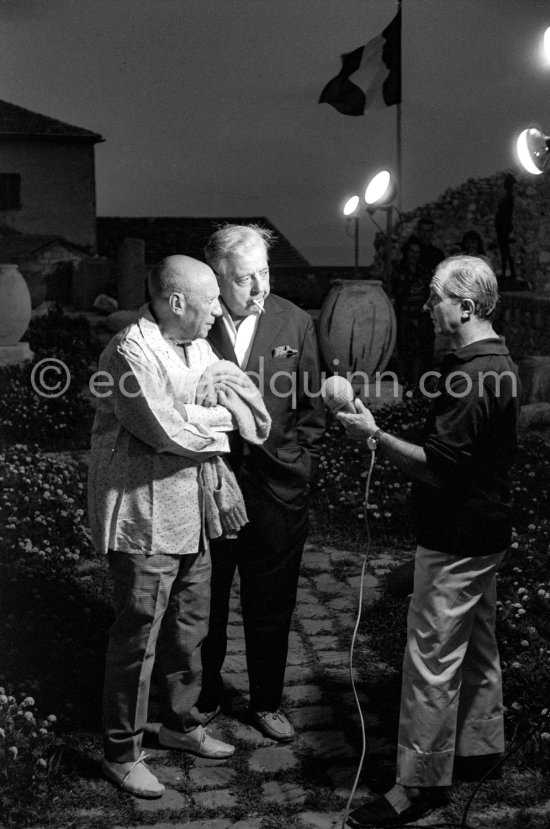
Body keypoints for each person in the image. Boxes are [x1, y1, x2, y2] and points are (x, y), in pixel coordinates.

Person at [338, 255, 520, 827]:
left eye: (435, 297)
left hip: (456, 538)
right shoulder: (494, 361)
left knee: (431, 662)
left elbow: (438, 467)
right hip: (486, 530)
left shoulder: (473, 376)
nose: (426, 306)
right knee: (479, 644)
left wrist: (373, 435)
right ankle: (480, 749)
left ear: (464, 306)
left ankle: (418, 784)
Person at [88, 255, 238, 800]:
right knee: (138, 638)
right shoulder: (129, 352)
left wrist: (202, 414)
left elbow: (234, 403)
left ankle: (180, 724)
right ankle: (121, 753)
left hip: (191, 511)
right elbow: (163, 429)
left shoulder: (197, 346)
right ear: (177, 302)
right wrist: (209, 418)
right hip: (143, 517)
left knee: (189, 626)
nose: (218, 310)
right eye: (211, 299)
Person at [197, 224, 326, 741]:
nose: (260, 287)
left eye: (265, 273)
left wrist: (299, 462)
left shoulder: (295, 321)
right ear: (217, 279)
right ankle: (205, 696)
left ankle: (267, 701)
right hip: (211, 488)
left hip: (278, 489)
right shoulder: (195, 323)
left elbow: (311, 407)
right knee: (206, 599)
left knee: (271, 603)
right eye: (245, 278)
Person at [390, 235, 431, 385]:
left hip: (420, 316)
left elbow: (428, 292)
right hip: (404, 316)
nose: (414, 255)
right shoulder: (399, 270)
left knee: (419, 351)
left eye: (417, 252)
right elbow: (397, 291)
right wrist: (410, 292)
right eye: (411, 251)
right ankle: (402, 383)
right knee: (403, 350)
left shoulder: (424, 271)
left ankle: (415, 384)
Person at [494, 173, 516, 282]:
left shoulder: (509, 198)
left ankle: (508, 272)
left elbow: (506, 213)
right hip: (502, 227)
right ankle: (509, 272)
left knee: (505, 251)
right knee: (504, 251)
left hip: (503, 227)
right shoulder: (507, 198)